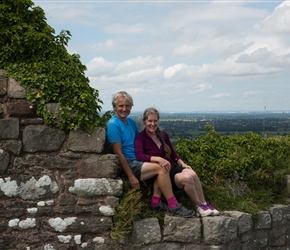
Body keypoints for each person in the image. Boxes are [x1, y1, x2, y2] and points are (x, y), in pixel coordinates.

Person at [106, 91, 194, 217]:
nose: (124, 109)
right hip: (130, 162)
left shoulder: (130, 122)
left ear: (131, 107)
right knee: (162, 167)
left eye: (127, 106)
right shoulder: (113, 125)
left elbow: (141, 141)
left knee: (163, 163)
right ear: (114, 107)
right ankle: (173, 204)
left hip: (139, 159)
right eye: (121, 106)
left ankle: (155, 202)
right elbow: (118, 153)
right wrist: (131, 176)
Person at [134, 107, 220, 217]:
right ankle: (198, 206)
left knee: (192, 173)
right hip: (163, 174)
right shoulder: (140, 138)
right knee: (187, 179)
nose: (152, 123)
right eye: (150, 121)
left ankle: (204, 203)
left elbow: (173, 154)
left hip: (172, 167)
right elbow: (140, 156)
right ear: (144, 121)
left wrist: (183, 164)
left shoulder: (163, 135)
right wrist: (158, 159)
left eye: (155, 121)